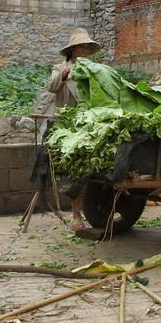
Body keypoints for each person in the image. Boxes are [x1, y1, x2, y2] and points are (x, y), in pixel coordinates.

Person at [38, 28, 101, 231]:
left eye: (87, 47)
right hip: (68, 125)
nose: (84, 50)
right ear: (73, 50)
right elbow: (51, 87)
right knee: (75, 171)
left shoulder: (95, 68)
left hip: (91, 123)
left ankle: (99, 210)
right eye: (81, 47)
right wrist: (64, 76)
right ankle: (76, 215)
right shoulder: (60, 68)